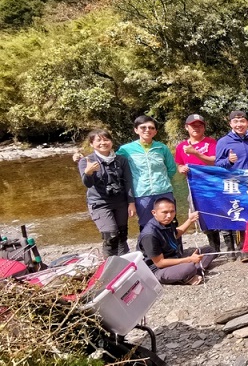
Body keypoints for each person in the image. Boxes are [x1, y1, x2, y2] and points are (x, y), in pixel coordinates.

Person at [77, 129, 136, 258]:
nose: (103, 143)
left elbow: (128, 182)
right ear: (92, 144)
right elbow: (87, 184)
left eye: (106, 139)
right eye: (98, 140)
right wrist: (88, 172)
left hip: (120, 202)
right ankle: (109, 263)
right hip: (100, 203)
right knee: (111, 236)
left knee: (122, 234)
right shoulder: (86, 161)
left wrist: (131, 202)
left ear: (111, 142)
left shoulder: (121, 160)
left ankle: (125, 261)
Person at [215, 110, 248, 262]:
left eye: (242, 121)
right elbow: (217, 163)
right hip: (235, 184)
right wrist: (228, 161)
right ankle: (244, 248)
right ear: (230, 124)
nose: (239, 125)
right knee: (240, 214)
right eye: (235, 122)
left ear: (247, 122)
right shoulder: (223, 142)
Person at [117, 115, 177, 231]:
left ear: (155, 132)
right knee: (146, 224)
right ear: (136, 130)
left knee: (169, 221)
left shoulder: (162, 148)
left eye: (151, 128)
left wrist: (161, 180)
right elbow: (112, 163)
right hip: (141, 193)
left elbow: (171, 168)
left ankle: (174, 249)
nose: (147, 130)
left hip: (164, 191)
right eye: (143, 127)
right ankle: (149, 249)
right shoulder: (125, 150)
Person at [137, 198, 216, 285]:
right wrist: (189, 260)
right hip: (158, 269)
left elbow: (176, 234)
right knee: (188, 267)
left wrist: (190, 220)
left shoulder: (167, 223)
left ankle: (191, 274)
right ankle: (190, 273)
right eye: (165, 212)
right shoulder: (149, 235)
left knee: (209, 250)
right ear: (154, 213)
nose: (169, 215)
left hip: (175, 257)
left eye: (172, 212)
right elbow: (160, 263)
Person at [174, 114, 221, 253]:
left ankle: (225, 243)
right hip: (194, 187)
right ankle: (214, 246)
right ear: (186, 127)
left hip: (213, 184)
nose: (196, 128)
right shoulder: (181, 146)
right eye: (193, 125)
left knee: (219, 212)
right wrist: (181, 169)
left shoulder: (212, 142)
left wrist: (195, 153)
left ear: (204, 127)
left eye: (200, 125)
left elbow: (214, 161)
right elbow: (179, 164)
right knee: (200, 214)